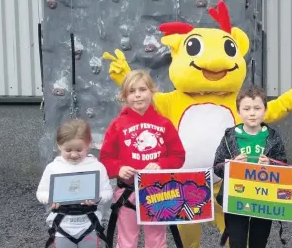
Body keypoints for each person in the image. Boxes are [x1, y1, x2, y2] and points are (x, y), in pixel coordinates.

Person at [99, 69, 186, 248]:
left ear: (152, 91)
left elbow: (178, 156)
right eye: (132, 91)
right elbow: (105, 160)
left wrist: (161, 164)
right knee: (126, 240)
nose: (137, 95)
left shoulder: (164, 124)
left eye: (142, 89)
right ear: (124, 96)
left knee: (156, 240)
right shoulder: (117, 125)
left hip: (158, 192)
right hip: (127, 193)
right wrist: (118, 169)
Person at [213, 85, 288, 248]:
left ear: (265, 110)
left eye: (257, 108)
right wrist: (232, 164)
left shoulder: (273, 137)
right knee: (237, 242)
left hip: (264, 198)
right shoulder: (229, 137)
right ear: (238, 112)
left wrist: (271, 163)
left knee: (258, 241)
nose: (252, 113)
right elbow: (217, 167)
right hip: (236, 197)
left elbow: (284, 165)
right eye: (246, 109)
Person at [37, 118, 113, 248]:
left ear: (88, 144)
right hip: (62, 226)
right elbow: (41, 192)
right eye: (68, 150)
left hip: (89, 224)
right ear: (59, 145)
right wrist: (50, 199)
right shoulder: (53, 167)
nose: (73, 154)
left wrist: (97, 198)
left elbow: (108, 192)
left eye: (79, 150)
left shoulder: (96, 166)